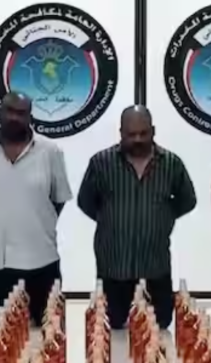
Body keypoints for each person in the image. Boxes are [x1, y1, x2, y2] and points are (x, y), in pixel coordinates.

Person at [0, 92, 72, 327]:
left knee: (48, 333)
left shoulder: (50, 152)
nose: (14, 118)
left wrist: (33, 219)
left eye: (21, 113)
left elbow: (58, 200)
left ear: (30, 117)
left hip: (40, 261)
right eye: (9, 111)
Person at [77, 105, 197, 329]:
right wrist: (111, 220)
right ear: (121, 133)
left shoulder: (171, 164)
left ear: (153, 131)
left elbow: (188, 200)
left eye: (143, 133)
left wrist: (162, 218)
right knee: (113, 328)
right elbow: (86, 201)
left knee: (159, 327)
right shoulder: (101, 163)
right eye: (131, 134)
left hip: (155, 266)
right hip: (114, 266)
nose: (138, 139)